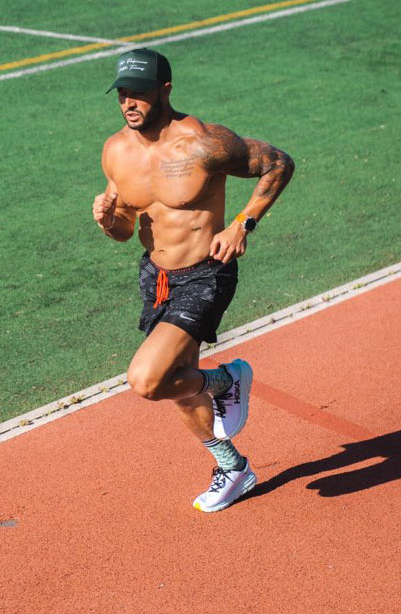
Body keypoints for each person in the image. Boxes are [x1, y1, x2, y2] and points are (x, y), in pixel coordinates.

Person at [91, 48, 295, 512]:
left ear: (164, 90)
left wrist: (243, 222)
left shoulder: (204, 143)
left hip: (206, 274)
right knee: (178, 382)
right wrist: (108, 221)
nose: (129, 104)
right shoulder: (115, 152)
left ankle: (225, 381)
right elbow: (125, 230)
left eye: (139, 94)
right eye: (123, 95)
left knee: (147, 380)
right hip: (156, 277)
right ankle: (234, 468)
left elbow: (279, 164)